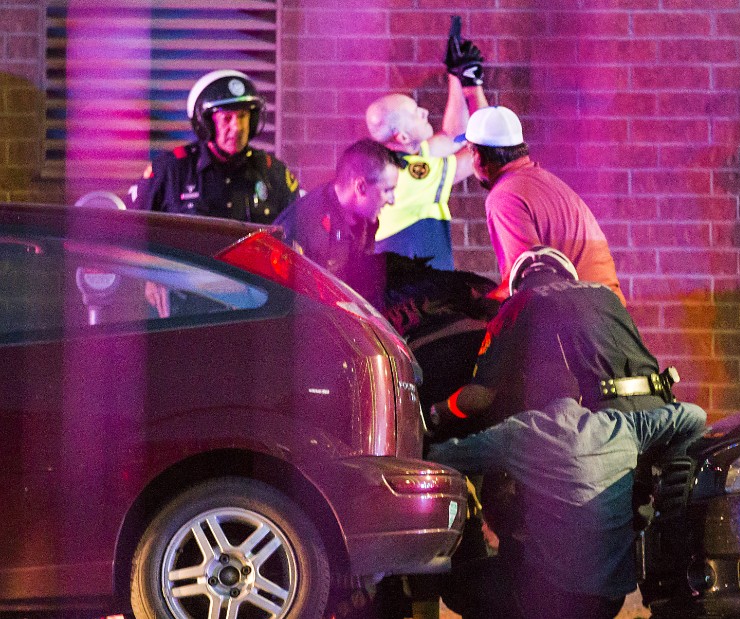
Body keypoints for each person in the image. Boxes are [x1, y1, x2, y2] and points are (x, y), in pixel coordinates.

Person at [425, 247, 707, 619]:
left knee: (534, 495)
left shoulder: (519, 305)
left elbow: (479, 398)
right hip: (650, 417)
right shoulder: (604, 295)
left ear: (519, 281)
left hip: (598, 414)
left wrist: (437, 413)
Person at [460, 106, 626, 305]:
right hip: (608, 313)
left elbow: (526, 279)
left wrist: (470, 308)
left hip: (579, 320)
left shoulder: (504, 196)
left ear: (478, 156)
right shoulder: (546, 181)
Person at [364, 17, 489, 270]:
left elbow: (455, 133)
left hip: (414, 290)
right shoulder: (411, 176)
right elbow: (484, 146)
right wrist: (473, 86)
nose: (422, 111)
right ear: (402, 137)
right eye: (414, 113)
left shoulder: (400, 158)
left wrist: (455, 74)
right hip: (420, 298)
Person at [131, 69, 301, 223]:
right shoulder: (170, 172)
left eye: (243, 116)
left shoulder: (273, 173)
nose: (237, 128)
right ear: (205, 124)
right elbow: (131, 233)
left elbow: (298, 234)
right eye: (227, 118)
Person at [274, 138, 400, 308]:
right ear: (361, 187)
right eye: (387, 190)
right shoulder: (306, 226)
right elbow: (288, 302)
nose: (392, 200)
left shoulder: (364, 220)